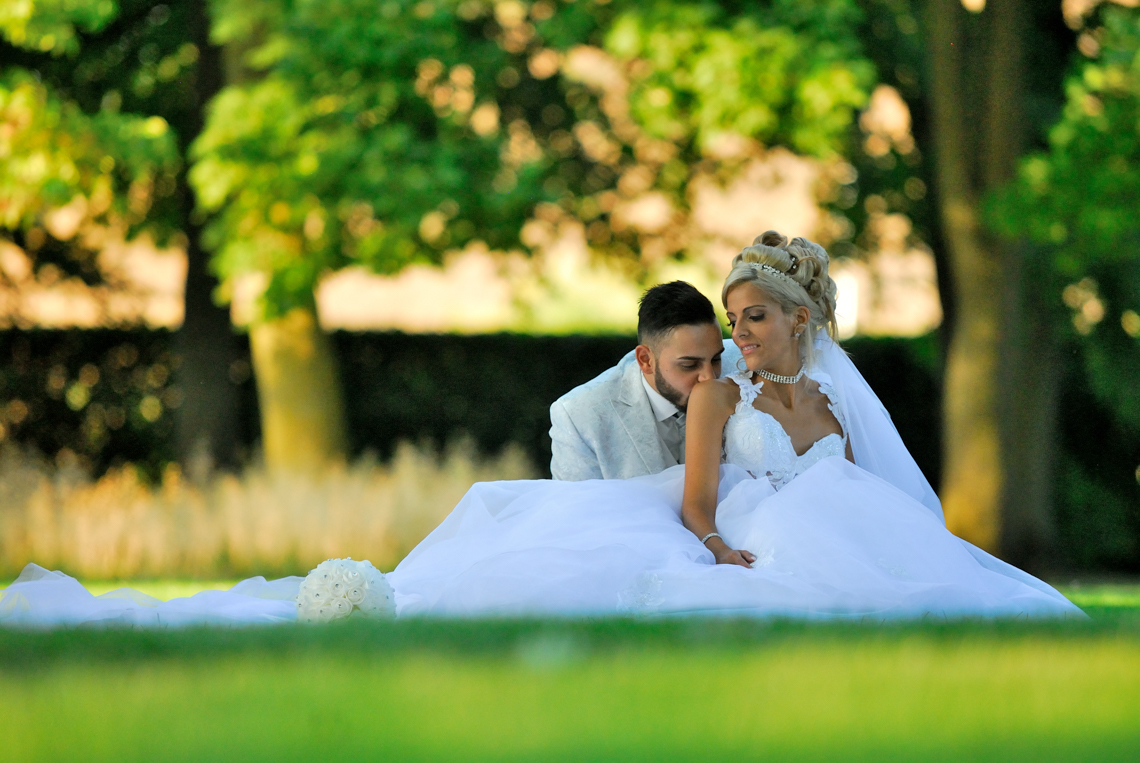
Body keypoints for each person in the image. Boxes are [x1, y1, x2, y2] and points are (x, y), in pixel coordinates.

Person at [0, 232, 1081, 625]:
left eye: (754, 319)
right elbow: (701, 498)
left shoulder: (841, 398)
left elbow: (892, 495)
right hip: (735, 532)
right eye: (731, 319)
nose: (739, 336)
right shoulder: (722, 397)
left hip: (834, 534)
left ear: (802, 322)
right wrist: (716, 549)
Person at [549, 281, 741, 481]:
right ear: (645, 360)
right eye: (689, 365)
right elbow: (576, 508)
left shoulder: (745, 366)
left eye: (716, 359)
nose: (709, 377)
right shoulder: (580, 416)